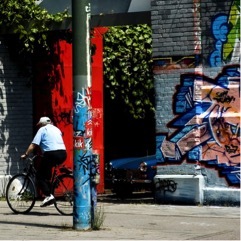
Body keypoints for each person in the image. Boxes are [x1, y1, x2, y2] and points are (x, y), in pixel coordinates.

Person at [21, 116, 67, 207]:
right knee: (46, 173)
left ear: (42, 124)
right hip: (63, 153)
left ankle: (48, 195)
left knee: (39, 176)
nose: (39, 126)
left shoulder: (42, 130)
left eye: (40, 125)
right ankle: (50, 193)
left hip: (51, 153)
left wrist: (26, 154)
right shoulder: (57, 129)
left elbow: (34, 145)